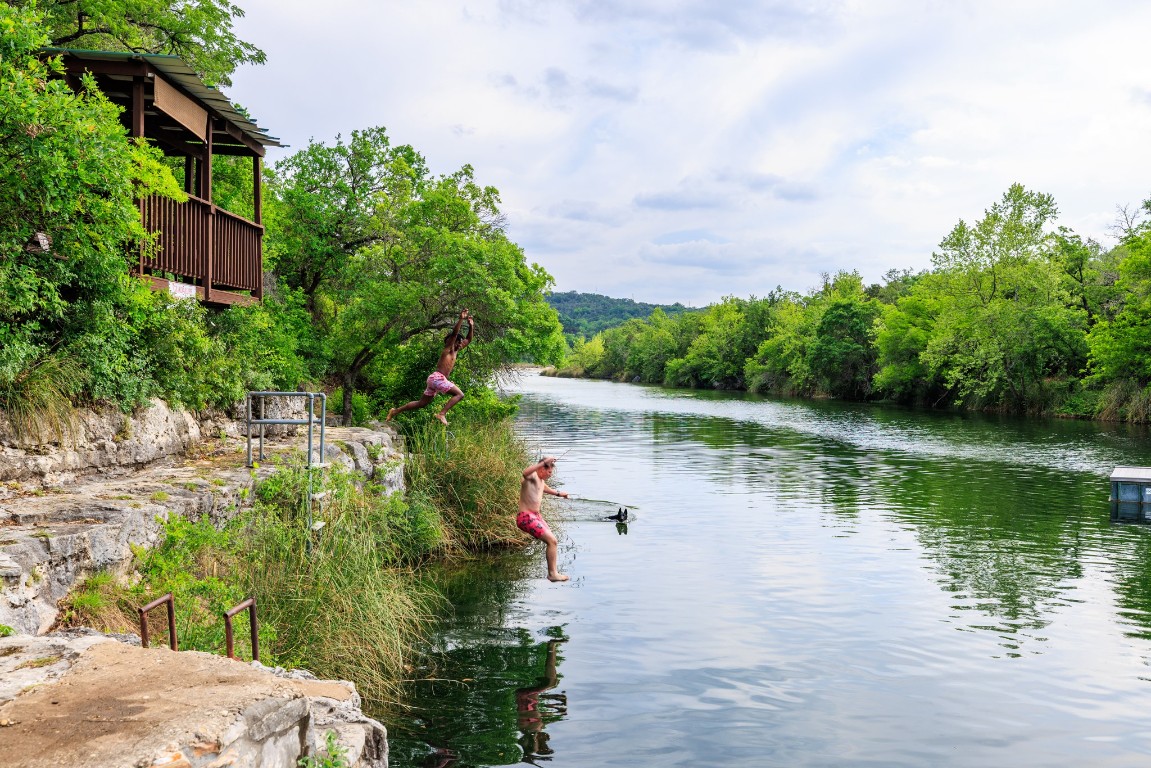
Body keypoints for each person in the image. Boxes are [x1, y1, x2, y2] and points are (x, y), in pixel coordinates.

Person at [387, 309, 474, 426]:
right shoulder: (448, 350)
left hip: (435, 379)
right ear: (453, 342)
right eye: (458, 342)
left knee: (421, 403)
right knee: (460, 395)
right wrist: (461, 319)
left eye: (460, 342)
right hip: (438, 378)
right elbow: (454, 334)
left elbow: (468, 340)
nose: (461, 344)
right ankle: (442, 414)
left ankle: (395, 411)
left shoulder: (456, 351)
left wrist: (471, 326)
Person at [519, 456, 569, 582]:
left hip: (535, 516)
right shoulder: (532, 477)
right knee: (552, 541)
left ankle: (553, 572)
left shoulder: (540, 480)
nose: (550, 474)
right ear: (541, 468)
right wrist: (543, 462)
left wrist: (558, 493)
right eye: (549, 471)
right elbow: (525, 473)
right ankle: (552, 574)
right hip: (526, 517)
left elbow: (543, 488)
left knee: (553, 541)